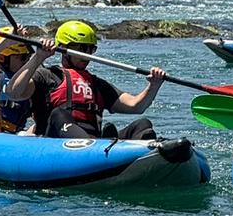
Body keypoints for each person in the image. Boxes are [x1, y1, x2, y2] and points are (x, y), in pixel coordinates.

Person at [15, 20, 169, 140]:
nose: (87, 53)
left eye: (91, 49)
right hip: (55, 143)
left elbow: (136, 106)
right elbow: (14, 92)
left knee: (143, 124)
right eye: (81, 48)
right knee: (59, 114)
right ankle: (98, 145)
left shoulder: (97, 84)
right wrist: (38, 57)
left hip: (94, 143)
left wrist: (154, 85)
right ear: (63, 48)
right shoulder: (47, 75)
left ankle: (143, 150)